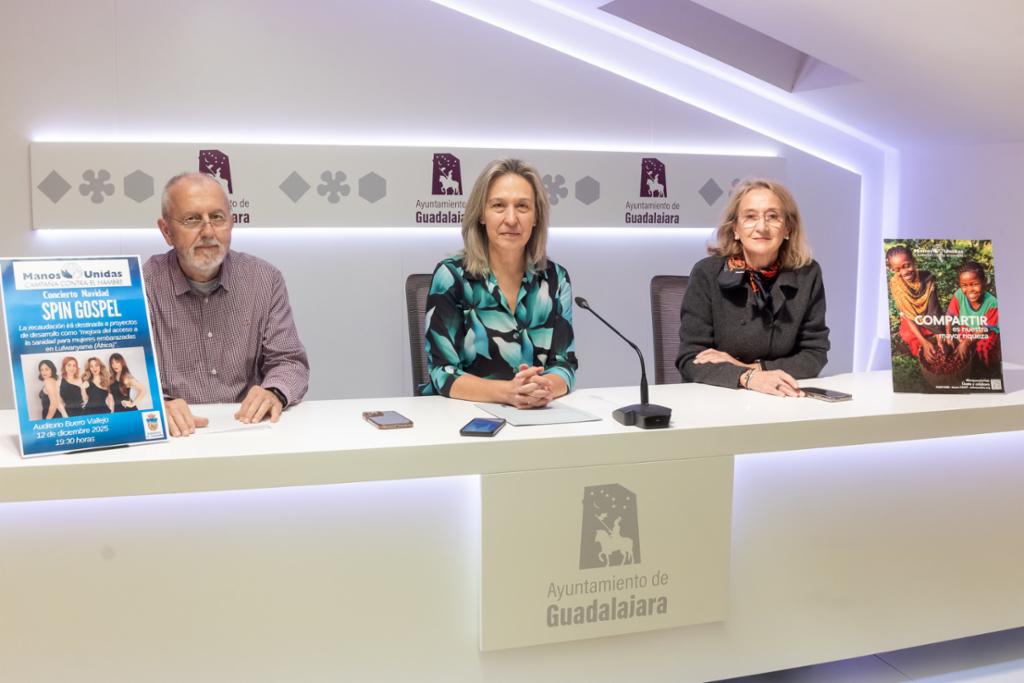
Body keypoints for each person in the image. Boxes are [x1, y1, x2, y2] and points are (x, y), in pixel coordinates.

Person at [145, 172, 310, 436]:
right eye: (192, 219)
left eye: (217, 217)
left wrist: (274, 392)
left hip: (247, 429)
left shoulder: (264, 280)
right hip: (174, 435)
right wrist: (154, 404)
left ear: (231, 224)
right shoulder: (141, 286)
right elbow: (124, 376)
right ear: (166, 231)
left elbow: (289, 361)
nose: (208, 232)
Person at [420, 158, 577, 408]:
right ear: (481, 215)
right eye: (498, 206)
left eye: (522, 206)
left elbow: (564, 364)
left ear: (536, 217)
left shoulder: (556, 279)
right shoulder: (451, 276)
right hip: (463, 418)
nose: (511, 219)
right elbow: (442, 372)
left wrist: (543, 389)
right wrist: (509, 393)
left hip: (537, 416)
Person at [676, 179, 830, 396]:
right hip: (718, 397)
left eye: (773, 216)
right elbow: (691, 359)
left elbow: (814, 355)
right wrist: (747, 378)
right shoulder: (707, 273)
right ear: (735, 229)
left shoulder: (807, 274)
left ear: (788, 228)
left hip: (781, 397)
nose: (761, 227)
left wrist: (750, 369)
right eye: (750, 217)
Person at [886, 245, 943, 364]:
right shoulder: (896, 285)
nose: (904, 272)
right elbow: (907, 315)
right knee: (912, 337)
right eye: (898, 270)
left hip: (929, 316)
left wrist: (939, 334)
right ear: (893, 270)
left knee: (942, 335)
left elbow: (934, 309)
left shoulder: (927, 277)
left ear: (914, 261)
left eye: (907, 265)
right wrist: (923, 342)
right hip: (912, 319)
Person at [944, 261, 1000, 373]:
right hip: (968, 328)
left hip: (986, 331)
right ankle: (967, 362)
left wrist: (967, 342)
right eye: (964, 285)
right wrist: (949, 336)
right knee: (959, 341)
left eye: (975, 284)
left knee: (983, 347)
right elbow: (949, 316)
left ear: (984, 282)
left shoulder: (992, 303)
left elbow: (986, 329)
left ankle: (984, 367)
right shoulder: (959, 295)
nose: (970, 290)